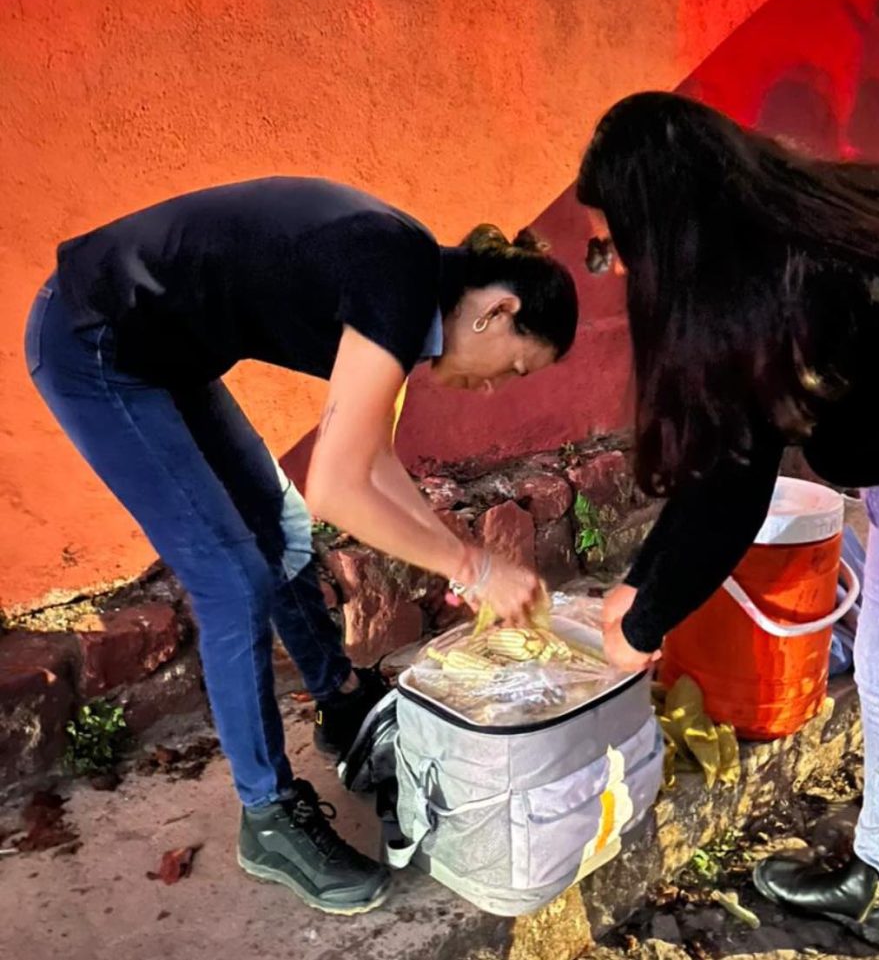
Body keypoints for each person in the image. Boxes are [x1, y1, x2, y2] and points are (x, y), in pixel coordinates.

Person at [24, 177, 578, 915]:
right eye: (515, 365)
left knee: (276, 529)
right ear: (498, 310)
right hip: (94, 340)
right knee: (232, 579)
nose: (498, 388)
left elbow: (374, 461)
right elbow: (337, 488)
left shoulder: (411, 294)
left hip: (164, 354)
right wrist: (471, 564)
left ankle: (343, 704)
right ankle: (268, 815)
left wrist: (465, 563)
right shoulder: (398, 278)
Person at [578, 92, 879, 959]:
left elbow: (731, 487)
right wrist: (642, 589)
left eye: (614, 245)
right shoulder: (774, 249)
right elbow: (722, 458)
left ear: (665, 228)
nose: (620, 270)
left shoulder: (799, 270)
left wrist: (641, 618)